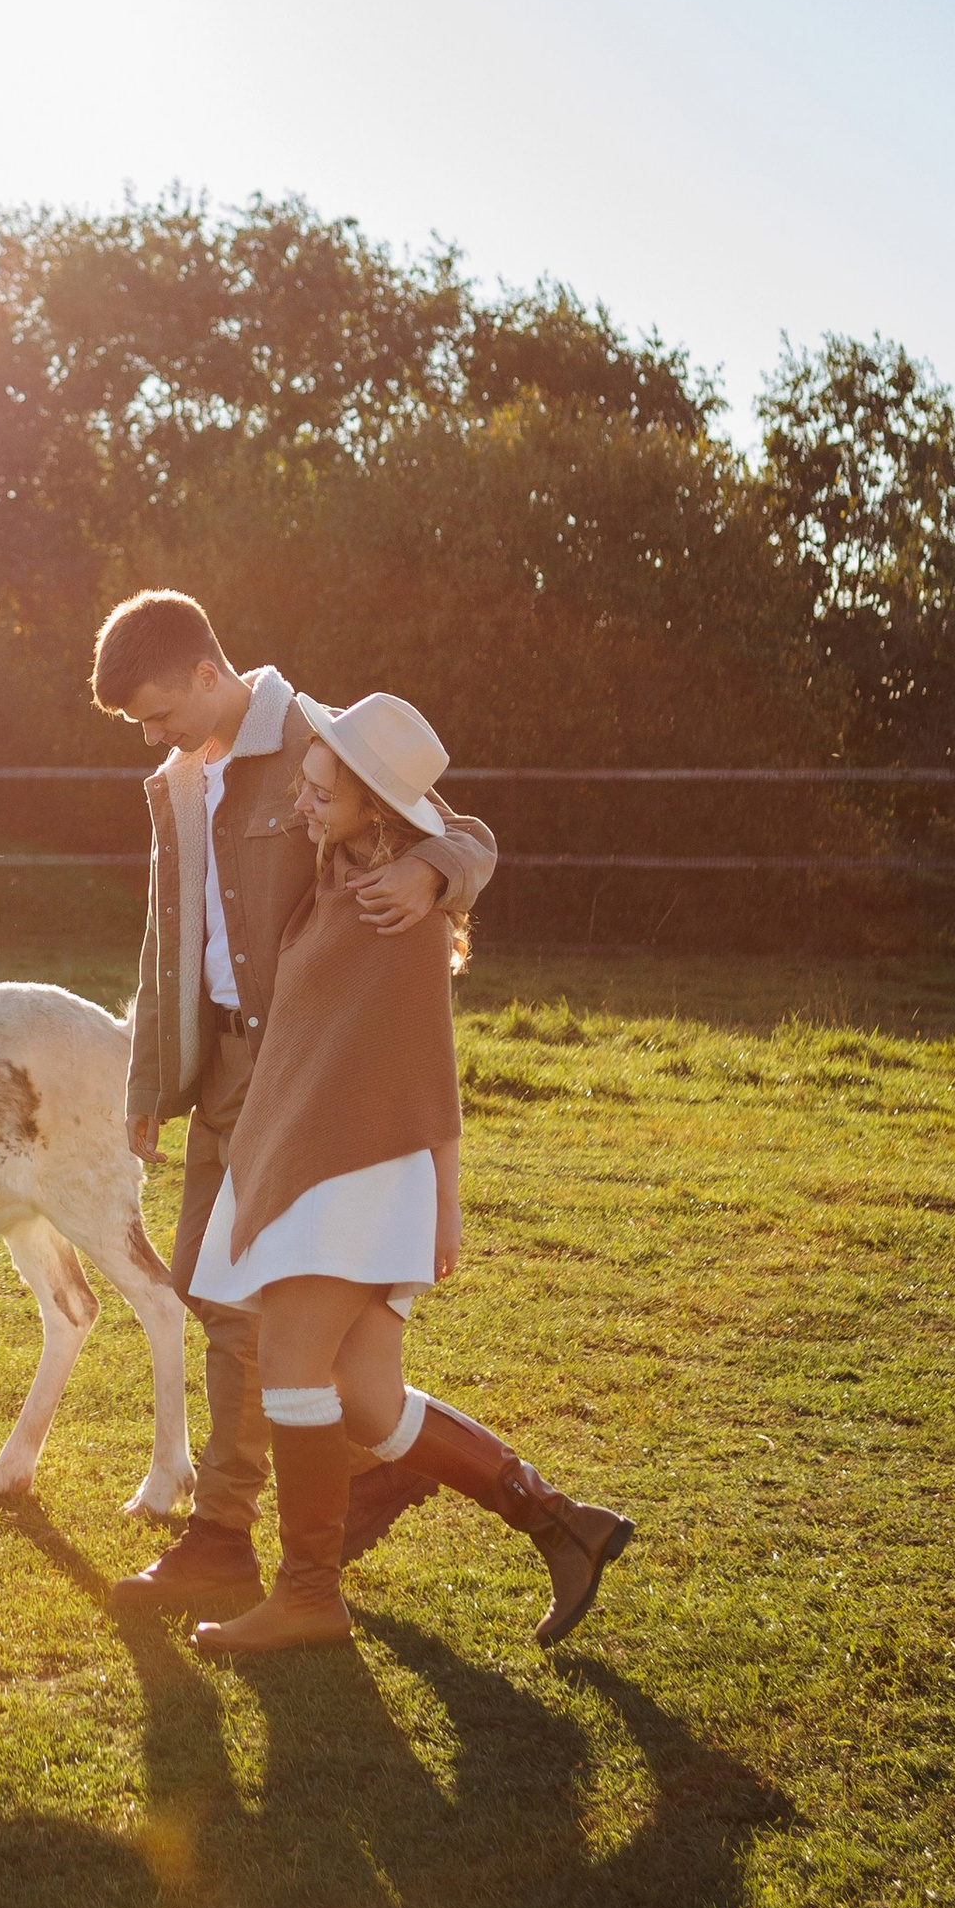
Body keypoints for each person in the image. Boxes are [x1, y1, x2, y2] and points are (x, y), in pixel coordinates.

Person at [185, 688, 636, 1654]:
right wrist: (439, 857)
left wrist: (448, 1199)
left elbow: (429, 1062)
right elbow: (461, 830)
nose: (302, 805)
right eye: (305, 786)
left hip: (354, 1172)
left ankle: (308, 1595)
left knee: (294, 1366)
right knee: (371, 1400)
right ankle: (564, 1525)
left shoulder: (400, 909)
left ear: (374, 811)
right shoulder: (343, 862)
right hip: (323, 1160)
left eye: (320, 793)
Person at [92, 589, 494, 1623]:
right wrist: (150, 1080)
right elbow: (167, 930)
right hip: (223, 1067)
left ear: (204, 673)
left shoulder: (315, 736)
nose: (152, 736)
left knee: (243, 1313)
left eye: (156, 712)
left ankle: (224, 1536)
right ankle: (370, 1468)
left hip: (304, 1071)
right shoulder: (182, 778)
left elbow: (464, 836)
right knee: (208, 1285)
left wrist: (430, 871)